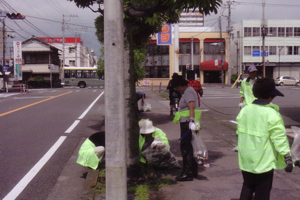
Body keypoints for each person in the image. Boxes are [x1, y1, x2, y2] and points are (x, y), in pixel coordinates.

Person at [236, 78, 293, 200]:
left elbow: (239, 133)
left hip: (246, 159)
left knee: (247, 187)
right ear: (270, 96)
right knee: (262, 193)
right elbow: (279, 138)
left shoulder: (244, 111)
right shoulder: (272, 114)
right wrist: (287, 157)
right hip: (263, 161)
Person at [171, 75, 201, 181]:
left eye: (177, 87)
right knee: (189, 147)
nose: (177, 90)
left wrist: (191, 121)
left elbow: (191, 106)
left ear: (181, 85)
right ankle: (192, 170)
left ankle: (187, 172)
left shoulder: (188, 91)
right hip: (187, 122)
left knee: (185, 147)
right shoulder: (187, 91)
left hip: (187, 123)